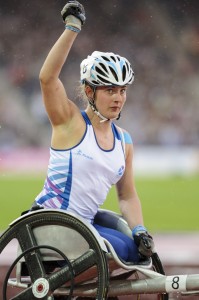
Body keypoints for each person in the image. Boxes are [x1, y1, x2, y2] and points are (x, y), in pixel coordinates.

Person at [33, 0, 154, 264]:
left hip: (84, 230)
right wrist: (72, 28)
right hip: (53, 225)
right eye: (110, 90)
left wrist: (139, 229)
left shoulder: (124, 142)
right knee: (125, 253)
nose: (118, 98)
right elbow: (47, 79)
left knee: (139, 250)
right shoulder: (70, 122)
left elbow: (127, 195)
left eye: (122, 90)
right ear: (89, 91)